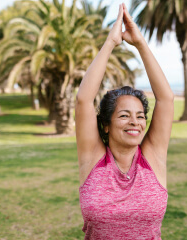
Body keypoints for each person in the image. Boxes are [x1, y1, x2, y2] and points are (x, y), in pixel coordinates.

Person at [75, 3, 174, 239]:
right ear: (106, 125)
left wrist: (140, 43)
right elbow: (83, 100)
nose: (135, 122)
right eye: (124, 115)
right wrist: (110, 43)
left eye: (140, 116)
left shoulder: (153, 157)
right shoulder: (93, 158)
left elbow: (166, 100)